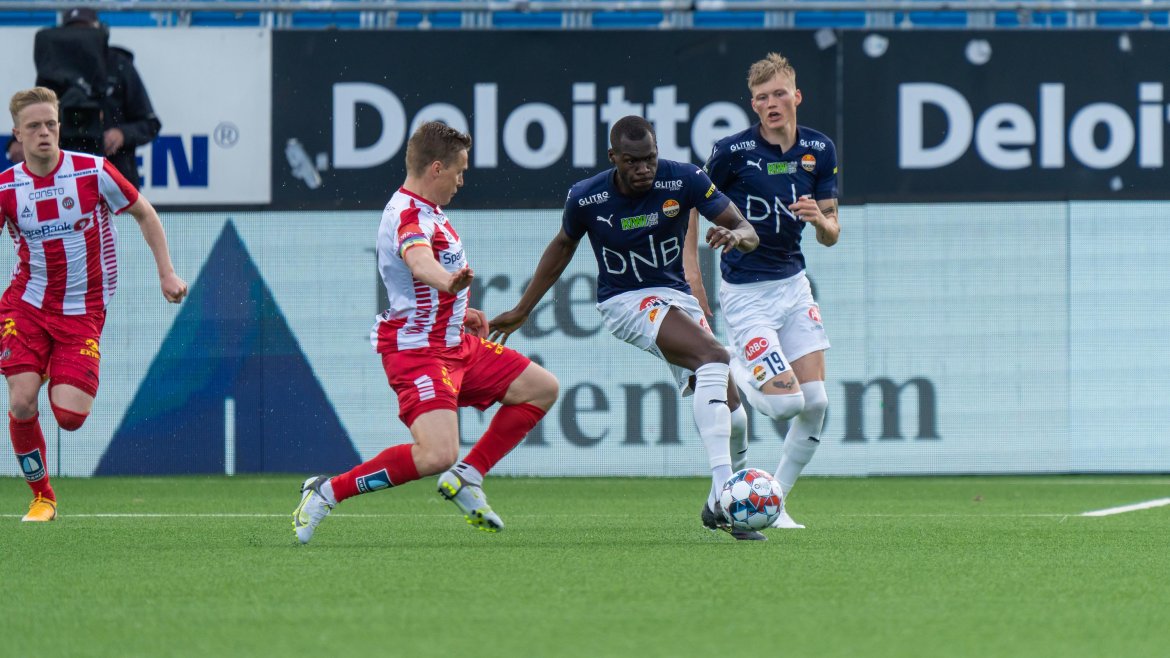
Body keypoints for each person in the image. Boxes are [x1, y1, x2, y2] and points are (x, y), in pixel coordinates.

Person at [488, 116, 765, 541]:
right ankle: (729, 499)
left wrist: (736, 235)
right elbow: (562, 246)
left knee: (735, 414)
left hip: (676, 298)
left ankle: (719, 501)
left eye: (649, 158)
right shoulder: (587, 197)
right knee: (714, 356)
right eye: (632, 161)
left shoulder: (685, 179)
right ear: (613, 158)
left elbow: (748, 231)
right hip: (624, 302)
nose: (643, 169)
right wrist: (523, 309)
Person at [292, 122, 559, 545]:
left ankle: (468, 477)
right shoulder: (409, 214)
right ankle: (326, 491)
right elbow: (419, 262)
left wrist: (459, 311)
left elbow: (421, 280)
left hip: (455, 344)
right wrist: (448, 283)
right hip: (418, 352)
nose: (461, 180)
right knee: (436, 454)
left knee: (541, 389)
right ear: (437, 168)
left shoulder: (429, 211)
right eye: (459, 171)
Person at [1, 86, 187, 522]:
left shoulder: (93, 171)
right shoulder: (7, 188)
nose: (44, 132)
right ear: (18, 134)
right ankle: (43, 497)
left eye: (51, 124)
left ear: (59, 126)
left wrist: (166, 273)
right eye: (34, 126)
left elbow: (144, 213)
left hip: (82, 312)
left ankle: (49, 362)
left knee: (69, 416)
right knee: (22, 401)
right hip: (27, 305)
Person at [684, 52, 840, 529]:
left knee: (817, 404)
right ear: (753, 104)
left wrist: (820, 221)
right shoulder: (732, 152)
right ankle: (731, 362)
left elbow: (832, 231)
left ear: (797, 96)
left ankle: (776, 503)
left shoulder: (819, 149)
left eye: (779, 94)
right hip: (747, 292)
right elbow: (691, 201)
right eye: (761, 97)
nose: (771, 103)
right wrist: (693, 270)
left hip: (794, 287)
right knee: (787, 404)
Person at [41, 6, 161, 187]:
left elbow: (150, 123)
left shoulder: (119, 65)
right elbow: (34, 117)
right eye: (73, 32)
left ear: (100, 32)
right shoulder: (51, 70)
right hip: (63, 179)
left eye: (87, 31)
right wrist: (18, 143)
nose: (81, 38)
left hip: (115, 177)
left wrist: (122, 134)